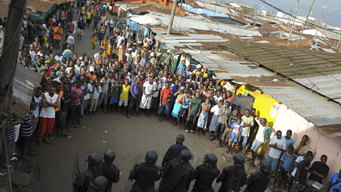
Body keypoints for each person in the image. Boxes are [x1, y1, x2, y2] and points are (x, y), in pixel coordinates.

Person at [0, 106, 21, 177]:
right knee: (4, 154)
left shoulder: (12, 117)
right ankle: (0, 169)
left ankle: (4, 164)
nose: (12, 112)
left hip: (11, 138)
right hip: (7, 139)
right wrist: (13, 123)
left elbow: (19, 120)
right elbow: (8, 128)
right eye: (10, 111)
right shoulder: (4, 119)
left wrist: (16, 119)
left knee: (9, 152)